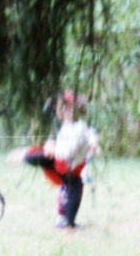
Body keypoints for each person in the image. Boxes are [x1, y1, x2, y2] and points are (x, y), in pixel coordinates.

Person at [16, 89, 98, 229]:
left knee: (71, 188)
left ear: (72, 109)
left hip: (68, 165)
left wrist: (93, 144)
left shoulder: (80, 127)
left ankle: (67, 221)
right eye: (59, 108)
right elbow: (61, 144)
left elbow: (78, 143)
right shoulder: (66, 125)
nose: (59, 111)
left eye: (63, 108)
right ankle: (67, 222)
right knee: (70, 186)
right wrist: (51, 146)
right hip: (65, 166)